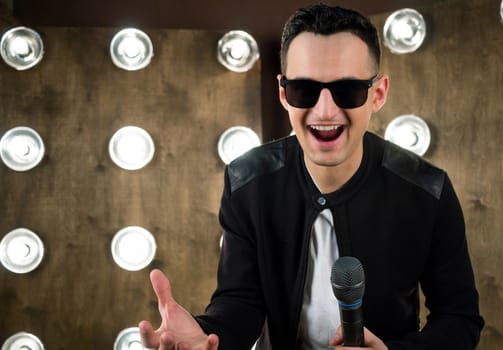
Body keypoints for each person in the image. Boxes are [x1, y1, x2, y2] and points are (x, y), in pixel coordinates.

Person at [139, 4, 484, 350]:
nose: (325, 111)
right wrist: (206, 336)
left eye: (347, 90)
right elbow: (240, 303)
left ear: (377, 94)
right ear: (283, 95)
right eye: (304, 89)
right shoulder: (246, 182)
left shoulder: (428, 191)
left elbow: (458, 319)